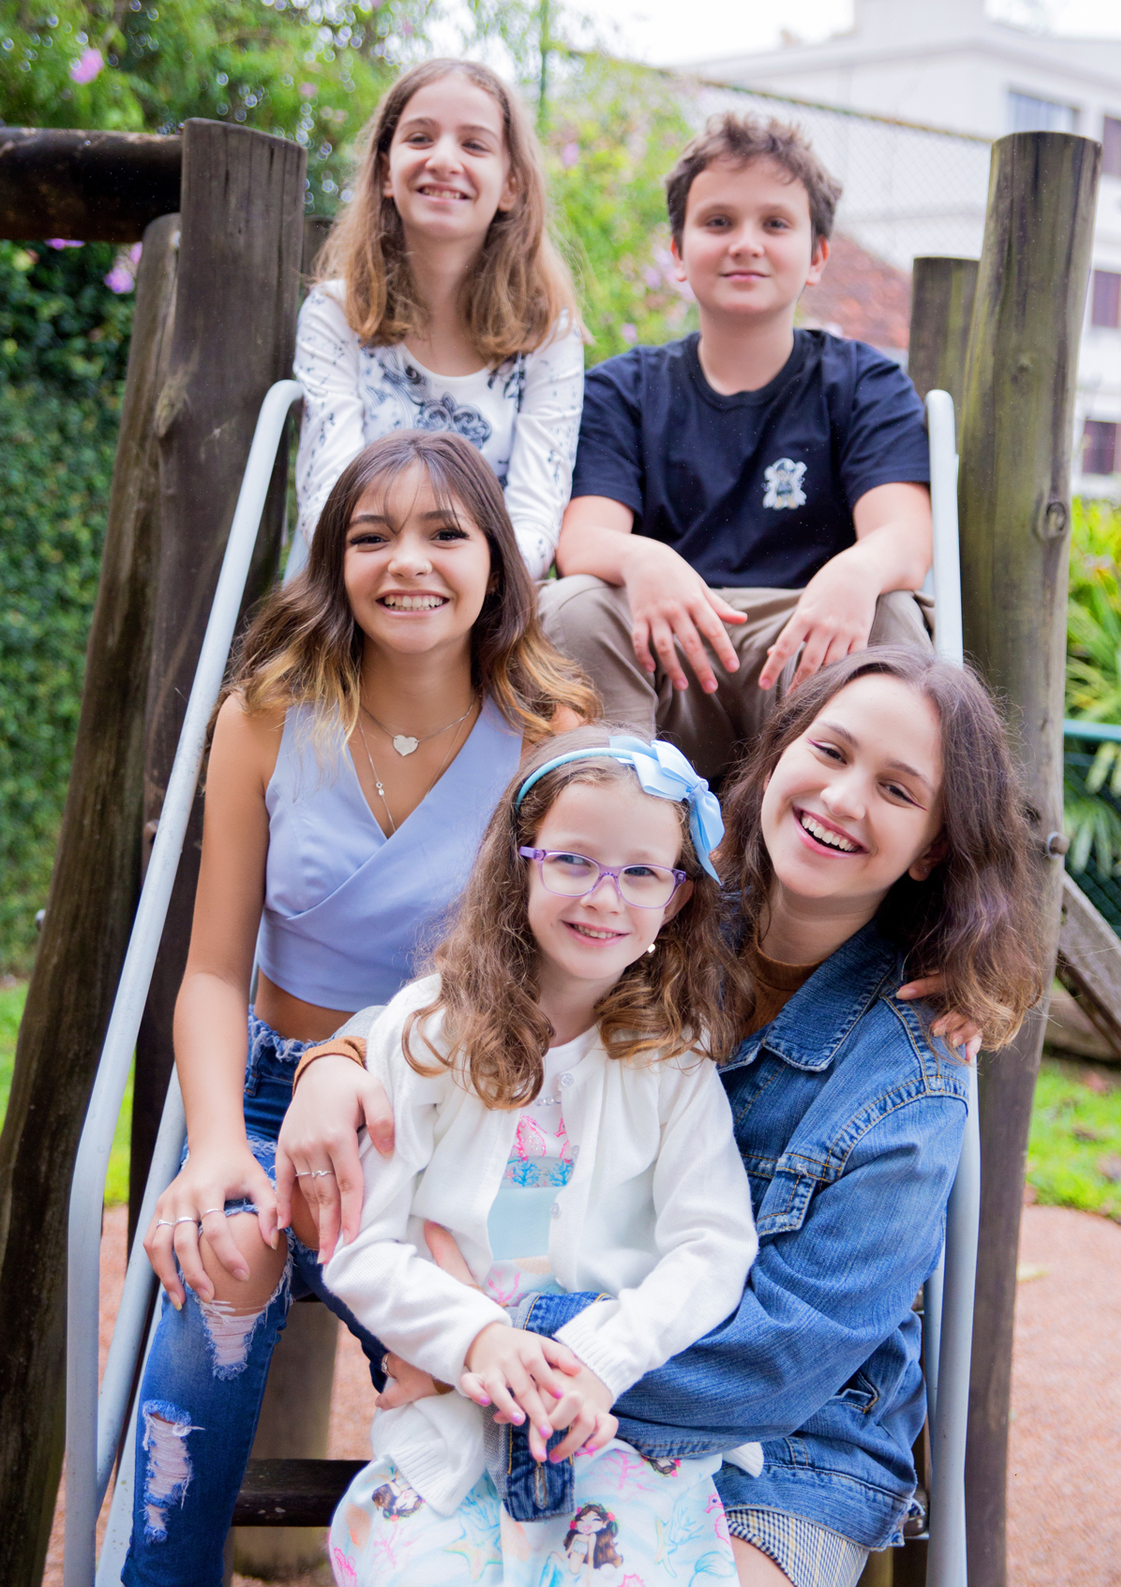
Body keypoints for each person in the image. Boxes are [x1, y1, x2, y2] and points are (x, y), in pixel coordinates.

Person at [282, 648, 1043, 1586]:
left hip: (784, 1441)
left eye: (896, 789)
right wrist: (337, 1057)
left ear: (932, 843)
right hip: (533, 1378)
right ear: (777, 756)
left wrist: (511, 1349)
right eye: (831, 751)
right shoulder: (650, 902)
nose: (844, 798)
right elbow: (469, 1010)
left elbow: (782, 1358)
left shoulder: (913, 1073)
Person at [123, 430, 597, 1587]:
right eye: (372, 536)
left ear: (496, 559)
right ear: (334, 561)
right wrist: (220, 1143)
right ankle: (159, 1573)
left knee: (487, 1323)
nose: (409, 562)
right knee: (223, 1250)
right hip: (275, 1085)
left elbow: (572, 979)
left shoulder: (553, 739)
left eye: (446, 532)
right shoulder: (267, 716)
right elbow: (210, 974)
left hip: (452, 1108)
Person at [320, 726, 762, 1585]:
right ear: (523, 862)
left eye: (640, 873)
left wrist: (600, 1358)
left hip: (612, 1422)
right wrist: (476, 1338)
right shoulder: (426, 1035)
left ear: (674, 901)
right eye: (574, 861)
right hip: (457, 1412)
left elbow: (715, 1246)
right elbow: (360, 1246)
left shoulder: (671, 1061)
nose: (604, 896)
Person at [540, 112, 935, 781]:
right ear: (678, 251)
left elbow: (905, 537)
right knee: (572, 603)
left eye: (775, 224)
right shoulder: (624, 389)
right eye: (718, 222)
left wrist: (858, 571)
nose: (745, 244)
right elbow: (581, 541)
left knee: (892, 610)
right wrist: (643, 559)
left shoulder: (865, 383)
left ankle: (835, 860)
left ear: (817, 257)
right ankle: (625, 829)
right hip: (666, 654)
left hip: (808, 654)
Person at [293, 57, 584, 583]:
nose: (444, 160)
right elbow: (327, 502)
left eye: (474, 145)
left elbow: (536, 517)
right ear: (385, 171)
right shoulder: (338, 315)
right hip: (357, 594)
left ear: (511, 184)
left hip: (489, 605)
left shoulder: (547, 335)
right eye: (420, 138)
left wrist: (459, 596)